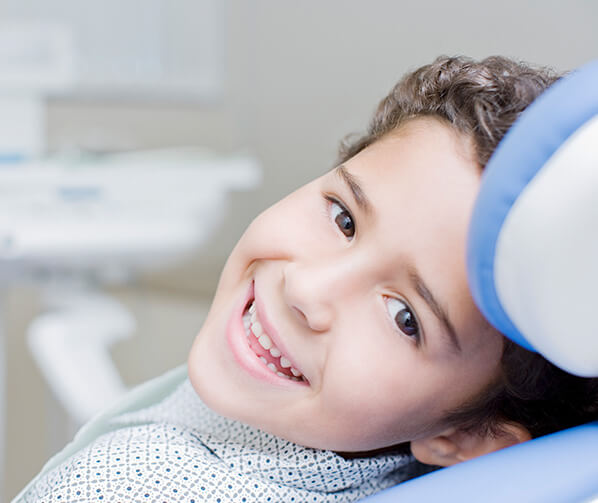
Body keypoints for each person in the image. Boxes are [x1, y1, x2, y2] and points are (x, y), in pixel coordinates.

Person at [14, 56, 598, 503]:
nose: (308, 292)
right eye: (344, 219)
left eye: (405, 318)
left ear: (469, 439)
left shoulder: (129, 485)